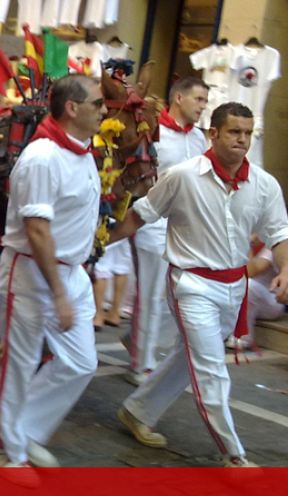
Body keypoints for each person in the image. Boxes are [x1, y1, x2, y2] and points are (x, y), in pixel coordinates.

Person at [111, 102, 288, 467]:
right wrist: (93, 248)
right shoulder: (182, 176)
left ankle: (137, 410)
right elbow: (140, 215)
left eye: (247, 133)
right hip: (190, 284)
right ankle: (234, 455)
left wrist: (285, 269)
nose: (242, 140)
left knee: (186, 356)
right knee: (210, 367)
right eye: (234, 132)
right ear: (214, 134)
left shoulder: (265, 184)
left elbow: (279, 234)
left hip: (234, 288)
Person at [0, 75, 106, 469]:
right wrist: (58, 292)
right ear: (72, 108)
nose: (105, 111)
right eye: (98, 103)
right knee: (19, 364)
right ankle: (8, 452)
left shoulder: (83, 150)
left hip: (70, 272)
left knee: (81, 362)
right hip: (32, 274)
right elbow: (37, 230)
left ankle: (23, 430)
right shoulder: (42, 157)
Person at [125, 77, 210, 384]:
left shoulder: (200, 139)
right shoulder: (153, 132)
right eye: (198, 100)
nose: (203, 107)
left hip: (185, 224)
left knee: (179, 294)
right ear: (178, 98)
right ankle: (142, 363)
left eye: (204, 101)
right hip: (152, 219)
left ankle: (135, 338)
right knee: (150, 293)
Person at [225, 236, 286, 350]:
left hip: (274, 300)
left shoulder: (276, 242)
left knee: (248, 285)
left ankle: (243, 337)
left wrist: (247, 242)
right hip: (253, 298)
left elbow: (250, 271)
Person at [92, 238, 131, 330]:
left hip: (107, 228)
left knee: (101, 266)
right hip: (127, 228)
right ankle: (115, 313)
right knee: (121, 267)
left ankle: (98, 315)